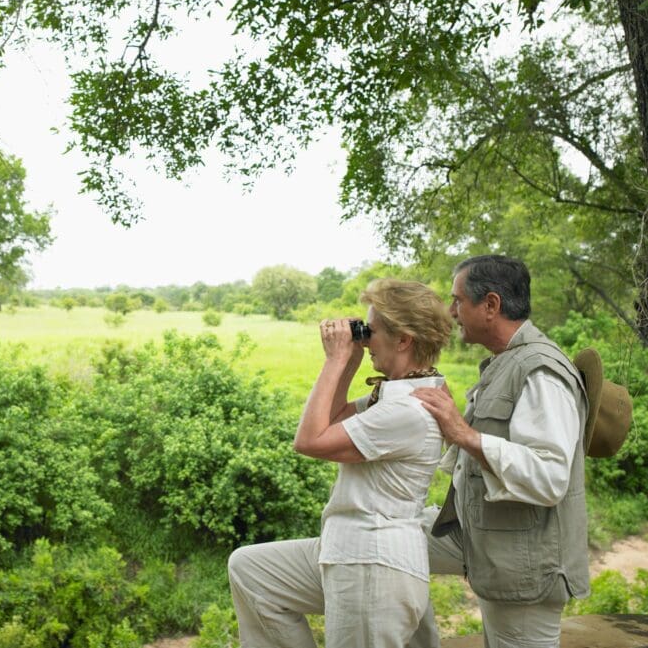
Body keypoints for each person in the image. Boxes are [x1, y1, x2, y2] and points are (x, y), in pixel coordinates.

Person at [228, 278, 453, 647]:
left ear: (403, 340)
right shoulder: (396, 395)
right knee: (251, 571)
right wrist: (347, 361)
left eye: (371, 331)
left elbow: (310, 440)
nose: (365, 340)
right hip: (348, 550)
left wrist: (333, 359)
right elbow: (333, 420)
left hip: (374, 566)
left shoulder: (408, 409)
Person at [409, 255, 589, 648]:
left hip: (526, 569)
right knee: (395, 536)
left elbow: (550, 476)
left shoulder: (540, 370)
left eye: (458, 301)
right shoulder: (507, 363)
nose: (451, 311)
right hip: (492, 546)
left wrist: (463, 433)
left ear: (490, 305)